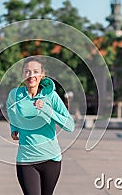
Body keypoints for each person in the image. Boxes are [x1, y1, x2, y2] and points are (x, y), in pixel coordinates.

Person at [6, 57, 75, 195]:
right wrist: (14, 128)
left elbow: (70, 125)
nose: (31, 75)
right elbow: (10, 109)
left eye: (35, 71)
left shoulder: (52, 96)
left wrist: (48, 111)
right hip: (26, 160)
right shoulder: (15, 95)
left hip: (51, 160)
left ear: (42, 75)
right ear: (22, 75)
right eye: (27, 71)